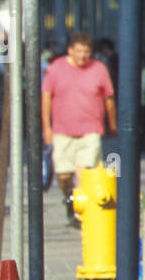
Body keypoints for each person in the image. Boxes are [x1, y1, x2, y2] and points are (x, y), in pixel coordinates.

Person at [42, 32, 116, 226]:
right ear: (70, 50)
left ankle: (79, 214)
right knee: (64, 175)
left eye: (86, 52)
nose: (83, 56)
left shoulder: (99, 69)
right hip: (62, 130)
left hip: (91, 129)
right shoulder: (56, 68)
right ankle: (70, 201)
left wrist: (113, 123)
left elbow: (109, 98)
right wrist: (46, 128)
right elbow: (46, 97)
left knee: (83, 174)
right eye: (79, 51)